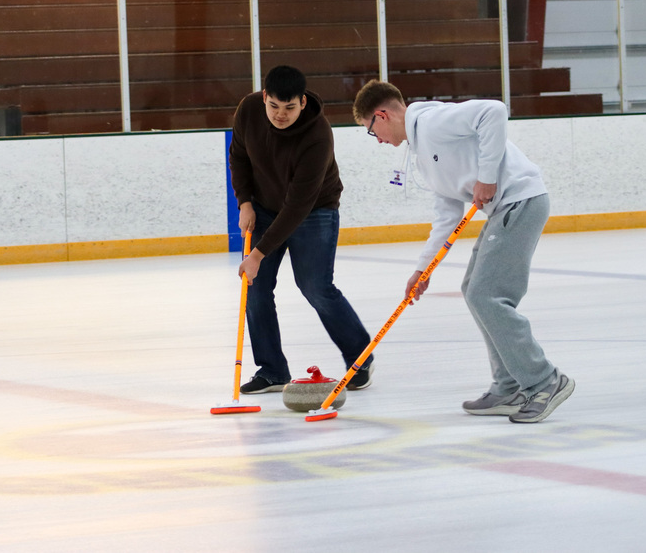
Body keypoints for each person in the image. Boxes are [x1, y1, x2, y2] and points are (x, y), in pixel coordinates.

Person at [352, 80, 573, 423]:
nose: (378, 140)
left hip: (521, 201)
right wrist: (422, 268)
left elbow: (494, 111)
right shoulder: (420, 151)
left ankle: (544, 380)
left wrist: (487, 176)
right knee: (474, 291)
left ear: (381, 115)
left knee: (488, 296)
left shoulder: (432, 122)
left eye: (371, 130)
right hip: (504, 209)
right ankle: (508, 386)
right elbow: (446, 213)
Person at [229, 65, 375, 394]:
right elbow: (238, 156)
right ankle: (272, 370)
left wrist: (257, 254)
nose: (281, 115)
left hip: (314, 210)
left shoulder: (317, 135)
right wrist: (245, 203)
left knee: (315, 286)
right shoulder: (249, 110)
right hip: (264, 206)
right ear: (264, 97)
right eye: (274, 106)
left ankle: (360, 358)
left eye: (290, 108)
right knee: (255, 289)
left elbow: (297, 206)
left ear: (303, 102)